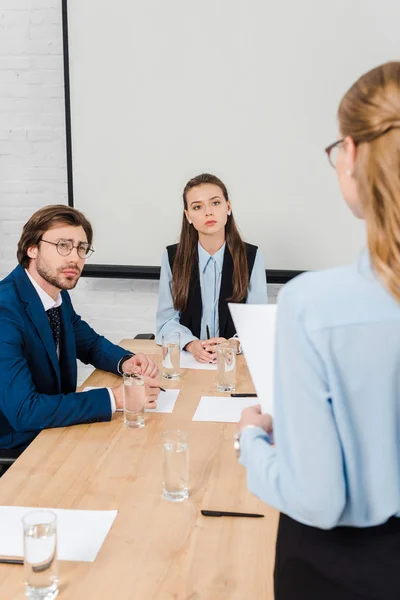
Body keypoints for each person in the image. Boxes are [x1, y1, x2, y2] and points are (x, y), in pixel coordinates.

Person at [236, 62, 400, 600]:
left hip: (344, 572)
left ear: (351, 155)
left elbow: (318, 497)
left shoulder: (314, 304)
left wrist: (252, 441)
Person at [0, 205, 160, 451]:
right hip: (21, 446)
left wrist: (126, 361)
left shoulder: (55, 295)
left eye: (81, 248)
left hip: (58, 428)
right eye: (63, 245)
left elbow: (91, 344)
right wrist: (115, 398)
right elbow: (25, 411)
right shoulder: (5, 310)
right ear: (32, 249)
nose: (74, 257)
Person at [156, 173, 268, 363]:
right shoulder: (173, 258)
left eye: (215, 203)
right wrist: (191, 344)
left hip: (234, 362)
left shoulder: (251, 257)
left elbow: (257, 322)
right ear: (188, 216)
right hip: (189, 360)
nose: (208, 212)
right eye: (197, 207)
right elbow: (166, 321)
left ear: (228, 207)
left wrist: (233, 345)